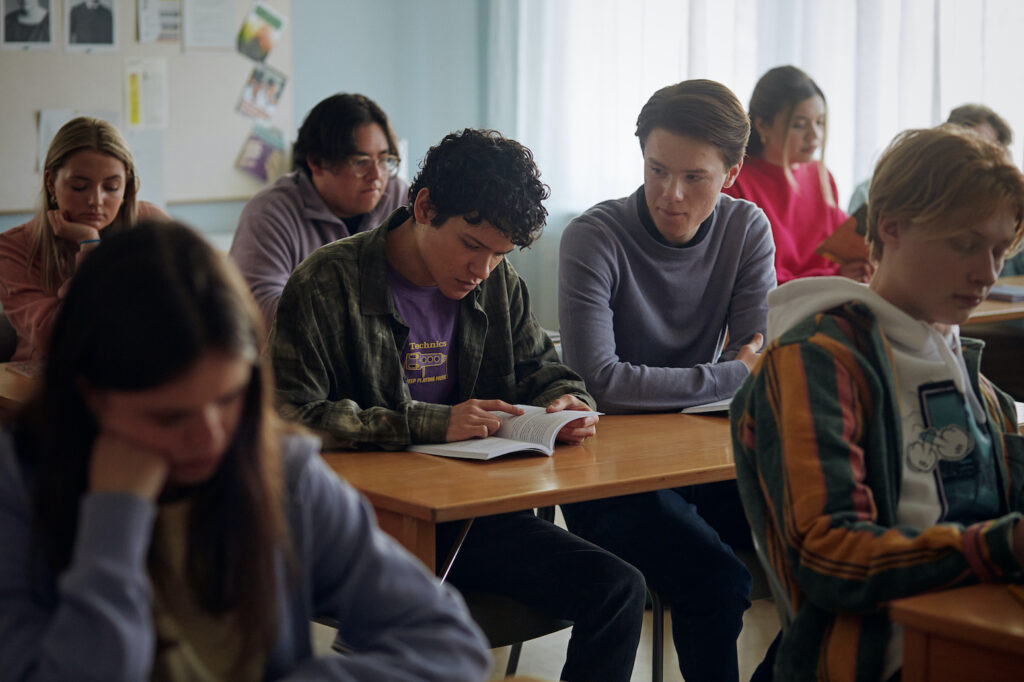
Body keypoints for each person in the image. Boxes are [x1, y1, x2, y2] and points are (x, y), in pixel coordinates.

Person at [0, 220, 491, 680]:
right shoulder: (16, 486)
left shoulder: (281, 469)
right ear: (90, 396)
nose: (212, 435)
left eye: (229, 398)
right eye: (170, 416)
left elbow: (449, 642)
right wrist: (115, 518)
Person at [270, 128, 647, 682]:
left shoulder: (498, 285)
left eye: (500, 253)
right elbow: (286, 418)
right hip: (361, 528)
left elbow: (546, 368)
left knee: (620, 588)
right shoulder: (327, 282)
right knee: (421, 635)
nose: (483, 270)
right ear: (424, 207)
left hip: (471, 523)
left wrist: (564, 402)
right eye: (472, 245)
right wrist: (432, 423)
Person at [731, 125, 1024, 681]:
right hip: (872, 661)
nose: (986, 273)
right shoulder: (818, 360)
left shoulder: (980, 385)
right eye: (965, 244)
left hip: (974, 636)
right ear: (889, 226)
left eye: (998, 250)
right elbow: (830, 556)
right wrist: (1001, 546)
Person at [557, 79, 774, 682]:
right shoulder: (593, 237)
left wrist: (732, 374)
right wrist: (727, 372)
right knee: (718, 578)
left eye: (694, 178)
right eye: (656, 170)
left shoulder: (747, 229)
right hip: (608, 480)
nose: (670, 195)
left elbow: (757, 373)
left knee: (829, 554)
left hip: (704, 463)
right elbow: (601, 382)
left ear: (731, 173)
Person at [230, 93, 409, 330]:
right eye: (360, 161)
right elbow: (260, 311)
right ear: (316, 162)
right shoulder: (269, 213)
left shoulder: (399, 198)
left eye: (384, 160)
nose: (377, 175)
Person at [0, 116, 167, 362]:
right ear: (50, 181)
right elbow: (63, 340)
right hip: (48, 383)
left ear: (126, 186)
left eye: (111, 187)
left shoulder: (150, 224)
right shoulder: (13, 247)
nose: (96, 201)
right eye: (79, 186)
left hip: (140, 375)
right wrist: (90, 245)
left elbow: (183, 312)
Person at [723, 65, 872, 284]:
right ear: (762, 124)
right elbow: (750, 277)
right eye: (799, 125)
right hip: (777, 310)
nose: (815, 135)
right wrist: (833, 278)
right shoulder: (735, 181)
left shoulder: (821, 175)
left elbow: (845, 241)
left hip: (836, 298)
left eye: (820, 123)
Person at [848, 102, 1015, 215]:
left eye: (992, 152)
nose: (981, 160)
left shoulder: (1001, 206)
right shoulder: (871, 192)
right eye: (976, 146)